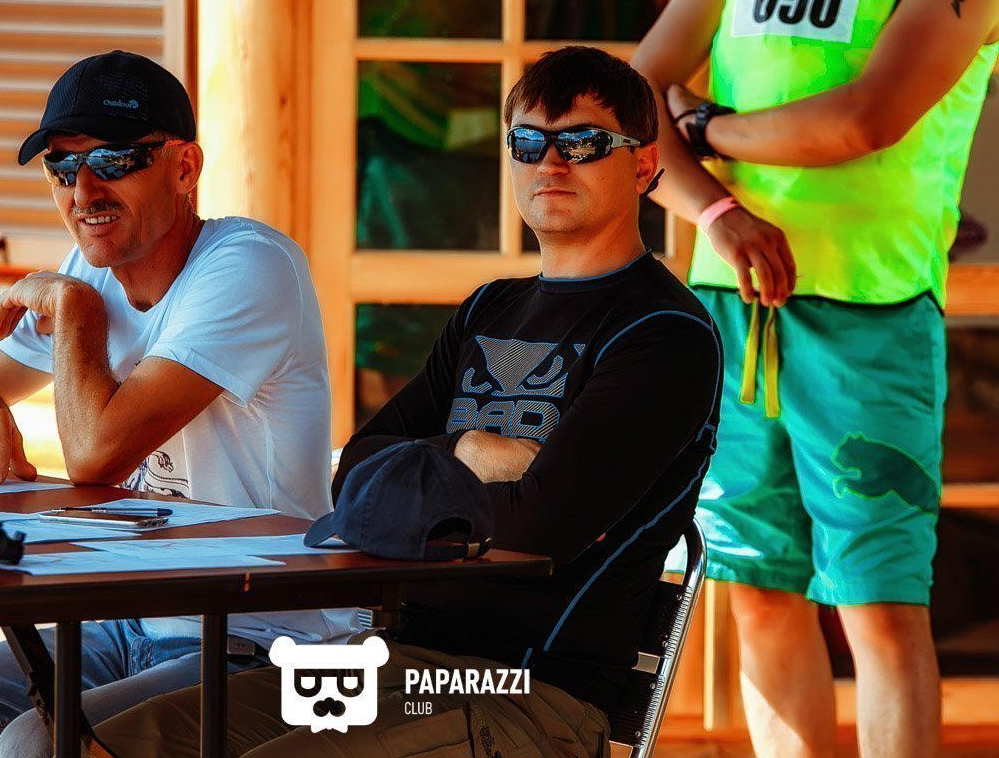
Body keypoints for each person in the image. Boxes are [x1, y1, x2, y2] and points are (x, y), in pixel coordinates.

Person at [84, 46, 723, 758]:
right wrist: (469, 451)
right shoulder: (489, 308)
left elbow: (541, 529)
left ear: (643, 165)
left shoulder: (663, 333)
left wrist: (422, 490)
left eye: (582, 143)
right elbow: (356, 474)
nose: (550, 163)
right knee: (61, 741)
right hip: (387, 663)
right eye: (527, 143)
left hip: (527, 691)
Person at [0, 50, 356, 758]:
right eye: (61, 166)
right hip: (123, 618)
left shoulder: (249, 264)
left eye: (113, 159)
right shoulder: (91, 264)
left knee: (38, 745)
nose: (83, 191)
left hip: (258, 636)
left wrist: (73, 308)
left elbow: (96, 456)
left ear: (184, 168)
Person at [630, 0, 999, 756]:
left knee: (879, 603)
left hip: (874, 309)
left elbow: (865, 120)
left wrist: (703, 127)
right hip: (731, 301)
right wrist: (716, 210)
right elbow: (631, 107)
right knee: (757, 592)